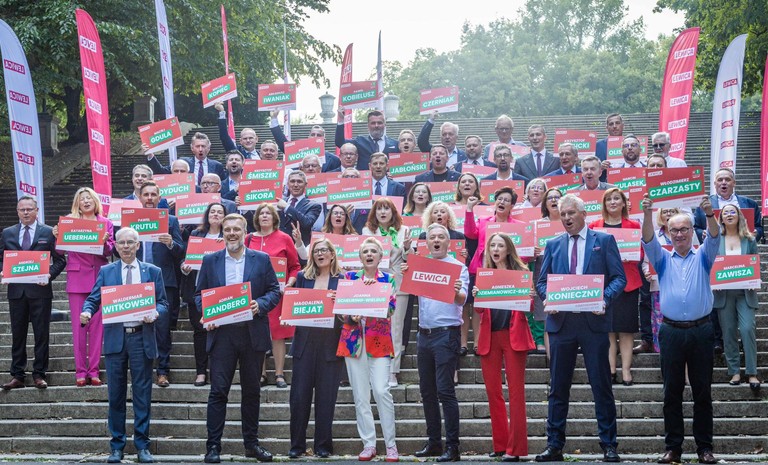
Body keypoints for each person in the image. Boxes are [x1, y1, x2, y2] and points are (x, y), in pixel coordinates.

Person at [534, 194, 626, 463]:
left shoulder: (604, 241)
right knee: (557, 387)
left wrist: (604, 299)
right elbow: (542, 282)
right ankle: (554, 445)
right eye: (563, 214)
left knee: (601, 386)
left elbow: (619, 278)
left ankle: (609, 445)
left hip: (593, 324)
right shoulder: (553, 244)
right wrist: (549, 298)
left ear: (584, 214)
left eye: (571, 213)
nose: (566, 218)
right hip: (561, 324)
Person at [195, 213, 282, 463]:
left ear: (245, 233)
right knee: (218, 392)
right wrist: (207, 313)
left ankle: (251, 445)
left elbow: (274, 290)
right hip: (222, 335)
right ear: (222, 233)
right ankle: (213, 447)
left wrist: (260, 304)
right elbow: (199, 295)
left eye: (236, 229)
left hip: (252, 333)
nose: (232, 233)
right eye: (227, 230)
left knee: (252, 391)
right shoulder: (210, 260)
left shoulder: (261, 259)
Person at [640, 195, 719, 465]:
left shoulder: (704, 256)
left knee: (702, 391)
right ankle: (673, 448)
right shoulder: (662, 259)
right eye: (674, 230)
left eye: (684, 229)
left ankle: (704, 448)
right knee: (671, 391)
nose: (679, 234)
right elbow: (648, 239)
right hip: (671, 331)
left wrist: (710, 214)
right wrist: (647, 214)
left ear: (692, 231)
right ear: (669, 233)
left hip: (701, 331)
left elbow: (715, 236)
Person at [80, 227, 167, 464]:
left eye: (130, 242)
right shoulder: (106, 271)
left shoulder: (153, 271)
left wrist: (155, 313)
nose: (126, 246)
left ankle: (142, 446)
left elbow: (163, 303)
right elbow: (93, 298)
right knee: (115, 395)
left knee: (142, 395)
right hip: (116, 340)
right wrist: (87, 311)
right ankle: (116, 446)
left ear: (138, 245)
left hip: (141, 338)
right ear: (116, 246)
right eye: (122, 243)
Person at [403, 223, 469, 462]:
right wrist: (406, 270)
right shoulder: (421, 266)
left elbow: (462, 300)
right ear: (427, 242)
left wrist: (456, 291)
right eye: (433, 237)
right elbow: (407, 285)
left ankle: (453, 447)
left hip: (446, 335)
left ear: (449, 242)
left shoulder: (458, 267)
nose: (437, 240)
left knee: (445, 391)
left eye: (441, 237)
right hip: (424, 335)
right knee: (427, 391)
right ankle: (434, 443)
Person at [472, 233, 535, 461]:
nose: (496, 249)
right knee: (493, 392)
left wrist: (530, 297)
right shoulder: (485, 275)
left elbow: (529, 308)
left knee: (516, 392)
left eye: (500, 245)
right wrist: (477, 296)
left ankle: (516, 449)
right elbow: (480, 310)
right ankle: (500, 444)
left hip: (513, 336)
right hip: (490, 337)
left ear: (508, 249)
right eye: (492, 245)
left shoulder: (521, 273)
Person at [338, 238, 399, 462]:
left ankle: (391, 445)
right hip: (353, 341)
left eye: (374, 251)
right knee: (360, 395)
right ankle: (369, 444)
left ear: (381, 257)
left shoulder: (387, 279)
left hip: (379, 340)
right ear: (360, 257)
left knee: (382, 391)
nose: (370, 254)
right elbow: (341, 310)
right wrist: (351, 316)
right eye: (366, 251)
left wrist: (374, 294)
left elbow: (391, 309)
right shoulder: (349, 278)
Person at [0, 196, 66, 390]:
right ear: (17, 211)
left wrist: (49, 275)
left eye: (30, 209)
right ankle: (17, 375)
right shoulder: (7, 233)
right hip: (17, 292)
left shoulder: (48, 232)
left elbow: (61, 260)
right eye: (22, 209)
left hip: (41, 290)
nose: (26, 212)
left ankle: (39, 374)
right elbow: (1, 258)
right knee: (18, 334)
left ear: (37, 211)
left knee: (41, 334)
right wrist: (3, 271)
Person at [288, 239, 344, 459]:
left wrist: (341, 304)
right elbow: (294, 306)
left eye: (324, 250)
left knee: (326, 398)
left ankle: (323, 445)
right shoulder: (303, 277)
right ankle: (297, 445)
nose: (320, 254)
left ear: (332, 254)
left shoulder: (343, 279)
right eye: (316, 251)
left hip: (330, 344)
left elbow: (348, 312)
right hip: (304, 344)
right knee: (299, 397)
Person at [54, 187, 115, 386]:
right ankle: (80, 372)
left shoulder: (106, 223)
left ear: (95, 201)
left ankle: (94, 371)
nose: (86, 201)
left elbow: (110, 251)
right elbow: (60, 251)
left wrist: (105, 243)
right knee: (79, 328)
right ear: (77, 204)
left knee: (97, 328)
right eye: (82, 199)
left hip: (99, 278)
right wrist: (57, 236)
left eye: (89, 198)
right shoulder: (69, 222)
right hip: (77, 279)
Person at [588, 188, 642, 386]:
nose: (612, 202)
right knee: (608, 329)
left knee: (626, 330)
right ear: (604, 204)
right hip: (603, 284)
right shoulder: (594, 226)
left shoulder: (633, 225)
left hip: (628, 283)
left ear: (623, 203)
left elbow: (641, 253)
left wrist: (630, 256)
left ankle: (626, 370)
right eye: (608, 199)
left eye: (616, 198)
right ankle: (610, 369)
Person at [245, 203, 301, 388]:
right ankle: (260, 374)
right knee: (258, 333)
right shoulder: (248, 238)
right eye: (261, 213)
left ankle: (279, 374)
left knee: (278, 334)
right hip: (254, 296)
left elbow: (295, 267)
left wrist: (290, 283)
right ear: (256, 218)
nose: (264, 216)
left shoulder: (284, 238)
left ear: (274, 218)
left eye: (268, 213)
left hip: (278, 294)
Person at [133, 181, 184, 387]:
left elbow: (181, 251)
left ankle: (163, 371)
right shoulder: (130, 220)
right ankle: (141, 370)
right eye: (146, 194)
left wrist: (171, 243)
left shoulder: (170, 220)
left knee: (162, 328)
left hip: (164, 281)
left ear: (159, 198)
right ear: (139, 197)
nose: (149, 198)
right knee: (137, 327)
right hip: (136, 281)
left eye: (153, 194)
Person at [361, 198, 412, 387]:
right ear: (374, 213)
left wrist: (407, 247)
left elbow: (409, 258)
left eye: (386, 209)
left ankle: (393, 371)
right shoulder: (367, 232)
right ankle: (371, 368)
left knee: (395, 328)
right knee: (372, 326)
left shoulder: (404, 230)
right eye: (379, 209)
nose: (383, 212)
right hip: (373, 283)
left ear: (393, 212)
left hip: (397, 282)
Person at [640, 207, 701, 353]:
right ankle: (663, 353)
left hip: (687, 285)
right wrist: (647, 272)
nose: (668, 214)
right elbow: (646, 262)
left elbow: (698, 255)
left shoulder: (690, 234)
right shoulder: (654, 236)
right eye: (664, 211)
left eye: (671, 211)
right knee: (660, 322)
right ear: (659, 215)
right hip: (660, 287)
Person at [713, 204, 760, 391]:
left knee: (747, 329)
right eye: (726, 212)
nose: (729, 214)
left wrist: (755, 278)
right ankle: (734, 371)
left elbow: (755, 261)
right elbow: (710, 263)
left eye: (733, 211)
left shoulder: (749, 239)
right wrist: (713, 280)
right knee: (729, 332)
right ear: (721, 219)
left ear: (739, 216)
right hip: (724, 293)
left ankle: (752, 372)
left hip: (745, 292)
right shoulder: (716, 240)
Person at [180, 202, 226, 386]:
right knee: (199, 332)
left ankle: (216, 371)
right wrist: (184, 267)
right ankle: (201, 372)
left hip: (219, 292)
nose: (216, 214)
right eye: (212, 211)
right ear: (207, 215)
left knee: (219, 332)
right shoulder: (196, 234)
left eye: (220, 212)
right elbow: (185, 258)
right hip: (197, 290)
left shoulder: (228, 236)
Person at [530, 187, 564, 356]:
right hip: (542, 270)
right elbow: (525, 252)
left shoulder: (569, 222)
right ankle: (552, 365)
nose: (554, 200)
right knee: (546, 317)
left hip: (565, 273)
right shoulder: (536, 225)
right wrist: (532, 251)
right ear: (545, 203)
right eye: (550, 198)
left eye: (557, 197)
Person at [693, 167, 762, 243]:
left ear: (734, 183)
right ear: (715, 184)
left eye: (727, 179)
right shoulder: (704, 204)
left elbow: (759, 227)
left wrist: (756, 233)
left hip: (743, 245)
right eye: (720, 180)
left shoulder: (750, 203)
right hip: (714, 246)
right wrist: (702, 234)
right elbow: (696, 228)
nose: (723, 182)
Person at [269, 110, 342, 172]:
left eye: (319, 135)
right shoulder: (299, 153)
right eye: (313, 135)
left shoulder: (334, 160)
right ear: (309, 138)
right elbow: (283, 144)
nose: (315, 137)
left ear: (324, 140)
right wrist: (274, 119)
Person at [277, 170, 322, 246]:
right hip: (279, 246)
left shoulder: (314, 206)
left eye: (299, 182)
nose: (295, 185)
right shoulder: (278, 202)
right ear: (288, 184)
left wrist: (287, 207)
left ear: (305, 185)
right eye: (292, 181)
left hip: (298, 248)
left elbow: (307, 223)